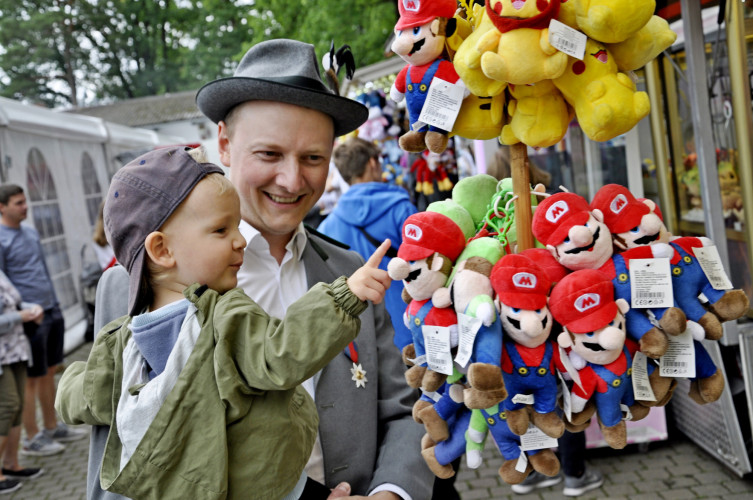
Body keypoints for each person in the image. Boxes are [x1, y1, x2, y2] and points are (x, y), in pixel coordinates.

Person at [88, 39, 433, 500]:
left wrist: (391, 492)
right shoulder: (140, 279)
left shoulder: (348, 268)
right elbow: (122, 455)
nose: (292, 181)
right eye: (269, 155)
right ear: (225, 144)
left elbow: (399, 409)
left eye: (313, 158)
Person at [56, 146, 391, 499]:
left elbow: (83, 398)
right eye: (221, 230)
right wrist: (344, 295)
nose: (241, 240)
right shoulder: (224, 317)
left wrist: (69, 382)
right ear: (162, 250)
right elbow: (281, 353)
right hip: (273, 486)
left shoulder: (120, 343)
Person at [0, 184, 87, 457]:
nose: (25, 207)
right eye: (18, 203)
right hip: (28, 320)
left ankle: (52, 426)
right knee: (31, 379)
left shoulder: (30, 232)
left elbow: (42, 271)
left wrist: (54, 304)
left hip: (51, 309)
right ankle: (33, 437)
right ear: (2, 207)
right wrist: (25, 312)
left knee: (50, 370)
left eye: (25, 201)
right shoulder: (1, 239)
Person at [318, 137, 417, 350]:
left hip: (361, 338)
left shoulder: (326, 229)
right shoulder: (401, 209)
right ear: (372, 163)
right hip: (410, 324)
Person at [0, 269, 45, 494]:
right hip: (2, 354)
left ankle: (11, 465)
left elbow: (12, 303)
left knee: (16, 408)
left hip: (15, 348)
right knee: (6, 407)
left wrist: (30, 307)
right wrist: (20, 316)